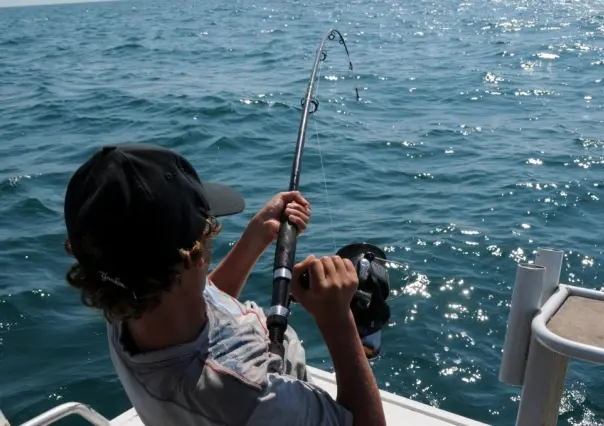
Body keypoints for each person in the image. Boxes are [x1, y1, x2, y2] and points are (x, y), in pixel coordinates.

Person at [62, 143, 386, 426]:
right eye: (207, 231)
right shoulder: (249, 399)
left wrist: (257, 235)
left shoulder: (125, 299)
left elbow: (204, 301)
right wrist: (336, 320)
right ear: (194, 256)